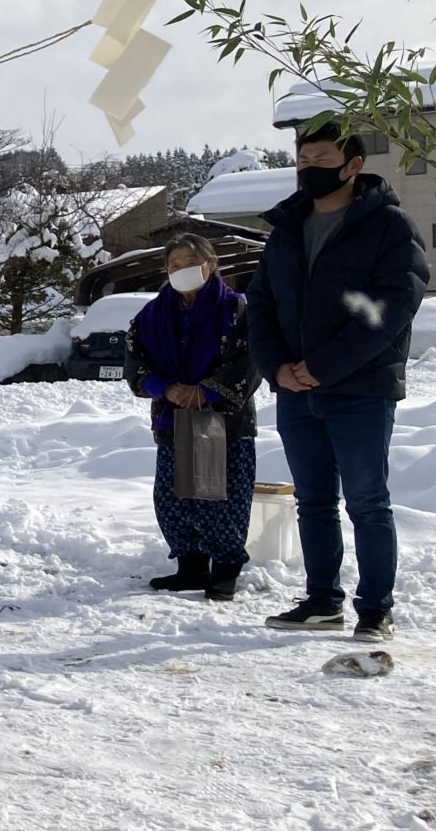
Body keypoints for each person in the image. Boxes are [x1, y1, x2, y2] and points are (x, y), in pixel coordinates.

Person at [248, 118, 428, 641]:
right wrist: (275, 365)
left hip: (360, 390)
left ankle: (376, 609)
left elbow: (391, 307)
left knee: (368, 501)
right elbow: (260, 301)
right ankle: (322, 600)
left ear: (354, 165)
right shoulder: (286, 229)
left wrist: (325, 364)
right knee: (313, 501)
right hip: (296, 391)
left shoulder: (390, 227)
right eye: (303, 161)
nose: (309, 170)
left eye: (322, 161)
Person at [124, 234, 261, 602]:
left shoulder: (236, 310)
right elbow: (136, 361)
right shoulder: (152, 315)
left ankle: (225, 570)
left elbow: (250, 361)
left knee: (219, 500)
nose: (181, 270)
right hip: (174, 417)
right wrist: (164, 387)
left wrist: (206, 391)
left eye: (189, 262)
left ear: (210, 263)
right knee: (173, 498)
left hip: (221, 418)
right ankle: (191, 567)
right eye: (173, 265)